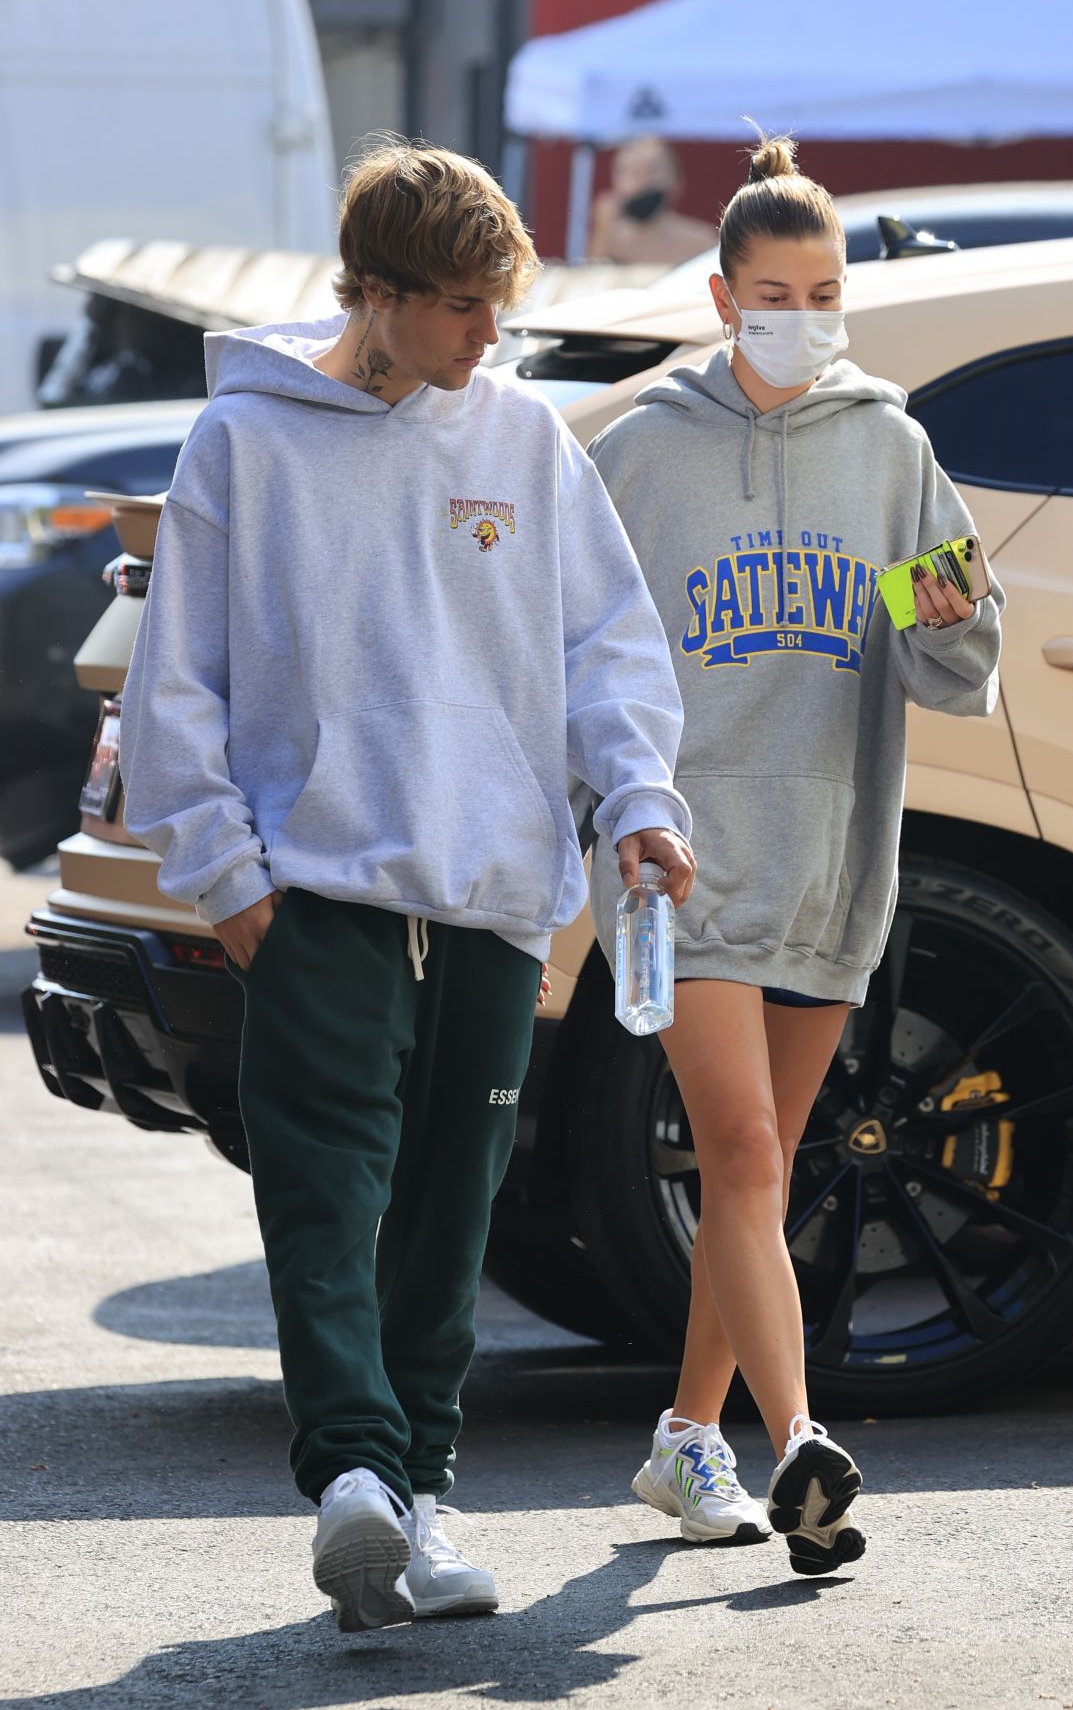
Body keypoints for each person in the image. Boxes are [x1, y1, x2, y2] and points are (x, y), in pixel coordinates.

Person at [119, 136, 695, 1631]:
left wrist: (636, 800)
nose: (489, 337)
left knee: (453, 1219)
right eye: (461, 308)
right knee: (327, 1202)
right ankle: (355, 1482)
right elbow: (175, 687)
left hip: (496, 899)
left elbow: (608, 646)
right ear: (373, 293)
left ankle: (420, 1502)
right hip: (319, 898)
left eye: (500, 307)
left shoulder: (520, 439)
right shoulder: (242, 445)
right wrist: (235, 884)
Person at [587, 134, 1004, 1577]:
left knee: (754, 1177)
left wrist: (947, 615)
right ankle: (802, 1443)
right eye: (776, 291)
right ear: (720, 297)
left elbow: (962, 653)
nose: (804, 315)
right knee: (747, 1148)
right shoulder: (640, 455)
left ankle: (685, 1438)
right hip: (678, 860)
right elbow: (574, 651)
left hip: (831, 853)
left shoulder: (891, 452)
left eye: (826, 290)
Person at [588, 136, 715, 266]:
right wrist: (602, 232)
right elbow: (592, 279)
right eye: (632, 172)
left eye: (652, 171)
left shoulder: (701, 242)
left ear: (677, 182)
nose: (643, 181)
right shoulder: (610, 241)